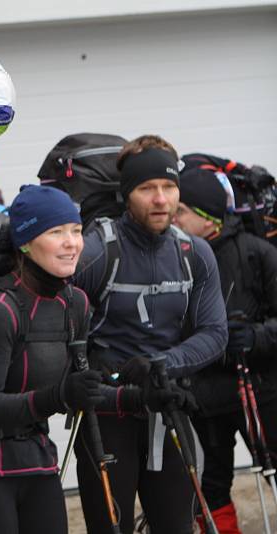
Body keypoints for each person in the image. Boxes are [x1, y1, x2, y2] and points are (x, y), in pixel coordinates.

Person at [72, 135, 228, 533]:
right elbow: (62, 331)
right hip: (108, 418)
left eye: (169, 187)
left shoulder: (194, 252)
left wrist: (160, 366)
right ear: (127, 195)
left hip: (166, 408)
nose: (160, 199)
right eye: (147, 189)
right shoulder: (96, 251)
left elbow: (214, 333)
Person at [0, 185, 103, 533]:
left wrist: (138, 392)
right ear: (25, 241)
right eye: (56, 232)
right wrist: (58, 396)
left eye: (76, 230)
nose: (72, 242)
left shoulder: (76, 305)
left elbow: (79, 390)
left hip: (38, 460)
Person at [174, 167, 277, 533]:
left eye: (182, 210)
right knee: (210, 486)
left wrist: (254, 336)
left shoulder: (258, 253)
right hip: (203, 398)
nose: (172, 217)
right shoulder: (172, 257)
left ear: (208, 217)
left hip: (259, 389)